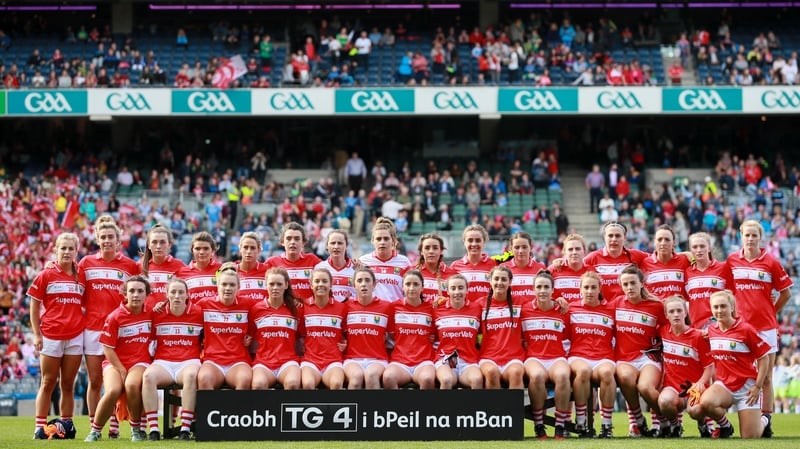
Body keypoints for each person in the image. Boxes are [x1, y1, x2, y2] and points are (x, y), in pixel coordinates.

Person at [78, 216, 139, 437]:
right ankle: (95, 426)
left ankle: (114, 424)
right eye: (102, 237)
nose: (106, 241)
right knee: (95, 381)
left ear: (118, 239)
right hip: (93, 329)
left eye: (110, 237)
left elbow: (141, 290)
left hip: (121, 331)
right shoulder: (85, 263)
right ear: (97, 239)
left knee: (118, 381)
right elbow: (71, 282)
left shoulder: (130, 265)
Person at [726, 219, 792, 422]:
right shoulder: (732, 261)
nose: (751, 238)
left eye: (754, 235)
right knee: (739, 373)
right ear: (741, 235)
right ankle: (729, 417)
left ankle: (767, 419)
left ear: (760, 237)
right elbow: (728, 292)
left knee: (766, 377)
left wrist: (771, 310)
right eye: (747, 234)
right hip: (740, 328)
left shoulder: (771, 261)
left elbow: (786, 293)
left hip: (765, 327)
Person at [29, 232, 85, 439]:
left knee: (68, 383)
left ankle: (66, 426)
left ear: (76, 251)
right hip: (51, 334)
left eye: (71, 248)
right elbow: (34, 308)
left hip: (76, 335)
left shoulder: (82, 275)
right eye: (63, 248)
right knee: (48, 382)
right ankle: (39, 427)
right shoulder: (46, 274)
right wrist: (37, 334)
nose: (67, 252)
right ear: (56, 250)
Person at [84, 275, 153, 442]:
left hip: (140, 361)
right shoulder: (115, 317)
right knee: (113, 390)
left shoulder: (152, 314)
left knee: (131, 385)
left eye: (140, 291)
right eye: (132, 291)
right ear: (125, 294)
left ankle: (136, 429)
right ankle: (95, 430)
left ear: (147, 294)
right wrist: (121, 369)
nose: (136, 295)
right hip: (115, 363)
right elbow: (107, 348)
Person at [700, 290, 772, 439]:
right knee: (706, 402)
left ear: (732, 307)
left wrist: (757, 386)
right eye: (716, 307)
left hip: (747, 388)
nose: (719, 311)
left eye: (723, 306)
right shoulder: (711, 330)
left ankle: (765, 419)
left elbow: (764, 358)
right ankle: (725, 426)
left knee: (750, 437)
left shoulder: (746, 330)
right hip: (724, 386)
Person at [141, 278, 202, 441]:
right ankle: (153, 429)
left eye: (181, 292)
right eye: (173, 292)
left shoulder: (198, 312)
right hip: (164, 362)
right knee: (147, 377)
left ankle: (185, 429)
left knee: (190, 377)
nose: (177, 296)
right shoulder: (156, 313)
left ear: (187, 295)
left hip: (190, 361)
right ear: (166, 295)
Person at [614, 264, 668, 437]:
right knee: (625, 377)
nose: (629, 287)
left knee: (646, 388)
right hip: (624, 358)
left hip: (647, 357)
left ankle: (666, 422)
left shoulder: (656, 306)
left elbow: (672, 328)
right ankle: (638, 421)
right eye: (625, 284)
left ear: (641, 283)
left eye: (633, 283)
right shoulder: (615, 304)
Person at [521, 270, 571, 440]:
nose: (542, 290)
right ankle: (539, 426)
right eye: (539, 287)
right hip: (533, 357)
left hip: (557, 357)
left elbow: (569, 337)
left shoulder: (562, 310)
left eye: (546, 287)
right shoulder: (524, 310)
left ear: (552, 290)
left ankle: (560, 425)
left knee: (564, 375)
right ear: (533, 289)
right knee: (537, 376)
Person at [568, 271, 616, 438]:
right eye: (586, 287)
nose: (589, 291)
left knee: (607, 373)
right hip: (578, 356)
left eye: (593, 287)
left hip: (604, 357)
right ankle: (581, 420)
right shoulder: (570, 308)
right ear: (580, 290)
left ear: (599, 289)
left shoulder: (611, 309)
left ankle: (606, 424)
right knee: (584, 371)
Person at [658, 295, 714, 439]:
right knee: (664, 401)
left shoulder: (698, 336)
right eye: (671, 311)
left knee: (695, 410)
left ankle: (703, 425)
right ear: (666, 315)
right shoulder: (662, 332)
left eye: (679, 310)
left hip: (694, 388)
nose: (675, 314)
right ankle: (676, 425)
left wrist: (701, 383)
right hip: (672, 387)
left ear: (685, 313)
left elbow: (710, 367)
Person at [196, 264, 253, 391]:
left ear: (239, 287)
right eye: (224, 284)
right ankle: (208, 411)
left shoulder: (248, 304)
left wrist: (252, 336)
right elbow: (184, 314)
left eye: (232, 285)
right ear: (217, 286)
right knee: (204, 379)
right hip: (213, 360)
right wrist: (163, 305)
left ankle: (238, 412)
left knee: (244, 380)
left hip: (238, 360)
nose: (228, 288)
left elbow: (266, 314)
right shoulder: (204, 304)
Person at [250, 267, 304, 390]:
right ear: (265, 285)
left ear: (286, 285)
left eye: (279, 284)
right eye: (271, 284)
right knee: (258, 385)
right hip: (263, 362)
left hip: (288, 362)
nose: (275, 287)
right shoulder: (256, 309)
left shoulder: (296, 309)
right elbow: (251, 339)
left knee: (293, 384)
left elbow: (301, 337)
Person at [383, 270, 436, 389]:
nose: (411, 288)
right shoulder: (394, 307)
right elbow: (392, 334)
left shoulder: (431, 307)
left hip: (424, 360)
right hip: (400, 361)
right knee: (388, 378)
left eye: (416, 284)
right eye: (408, 284)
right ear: (402, 287)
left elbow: (435, 334)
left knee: (427, 379)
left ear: (422, 287)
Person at [343, 267, 394, 389]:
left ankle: (373, 408)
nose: (363, 284)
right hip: (352, 359)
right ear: (354, 285)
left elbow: (395, 335)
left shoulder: (387, 307)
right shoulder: (345, 307)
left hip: (378, 359)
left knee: (371, 375)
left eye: (367, 280)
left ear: (374, 284)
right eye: (359, 281)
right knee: (356, 378)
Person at [434, 275, 483, 389]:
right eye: (453, 288)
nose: (457, 292)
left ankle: (474, 407)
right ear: (447, 291)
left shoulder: (477, 309)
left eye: (461, 288)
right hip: (444, 359)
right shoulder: (437, 309)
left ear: (467, 290)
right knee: (446, 380)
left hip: (468, 360)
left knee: (477, 380)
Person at [301, 268, 347, 390]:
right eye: (317, 281)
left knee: (336, 384)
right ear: (311, 285)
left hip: (333, 360)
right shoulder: (303, 307)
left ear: (331, 285)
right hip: (310, 360)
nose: (320, 284)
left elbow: (348, 334)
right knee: (308, 384)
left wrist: (346, 344)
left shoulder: (342, 308)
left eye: (324, 281)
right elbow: (299, 334)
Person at [479, 266, 525, 390]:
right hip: (488, 357)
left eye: (504, 279)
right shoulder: (479, 305)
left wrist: (556, 301)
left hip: (514, 357)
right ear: (490, 281)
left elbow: (540, 306)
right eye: (496, 279)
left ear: (510, 282)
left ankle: (512, 410)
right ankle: (497, 410)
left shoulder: (521, 303)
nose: (499, 283)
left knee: (516, 374)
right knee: (491, 373)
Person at [584, 222, 648, 300]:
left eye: (618, 236)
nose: (614, 239)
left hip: (627, 308)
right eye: (610, 236)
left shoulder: (635, 255)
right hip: (603, 308)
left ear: (624, 237)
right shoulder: (592, 258)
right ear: (604, 237)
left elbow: (655, 258)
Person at [683, 232, 730, 329]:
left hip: (718, 326)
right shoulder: (687, 272)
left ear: (709, 248)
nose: (699, 250)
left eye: (702, 246)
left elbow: (733, 296)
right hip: (696, 328)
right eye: (695, 247)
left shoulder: (723, 268)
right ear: (690, 250)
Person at [265, 222, 322, 301]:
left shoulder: (313, 260)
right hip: (283, 312)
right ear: (282, 242)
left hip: (307, 311)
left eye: (297, 239)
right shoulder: (271, 262)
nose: (292, 242)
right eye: (288, 238)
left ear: (303, 242)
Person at [359, 217, 411, 302]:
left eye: (386, 239)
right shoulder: (363, 261)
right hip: (373, 313)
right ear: (372, 241)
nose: (382, 242)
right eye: (378, 239)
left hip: (396, 312)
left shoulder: (404, 262)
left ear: (393, 241)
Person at [140, 224, 186, 309]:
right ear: (149, 245)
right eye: (154, 242)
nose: (158, 246)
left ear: (169, 245)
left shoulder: (180, 266)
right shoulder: (139, 266)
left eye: (162, 242)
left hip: (168, 320)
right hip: (145, 320)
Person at [639, 225, 692, 299]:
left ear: (674, 242)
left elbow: (700, 264)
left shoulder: (685, 260)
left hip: (678, 309)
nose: (663, 243)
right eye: (659, 239)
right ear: (654, 242)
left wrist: (690, 256)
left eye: (667, 239)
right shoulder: (645, 263)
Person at [450, 224, 497, 305]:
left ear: (484, 242)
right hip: (465, 314)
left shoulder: (494, 265)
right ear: (464, 242)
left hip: (487, 313)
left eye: (478, 240)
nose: (474, 244)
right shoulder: (455, 266)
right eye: (470, 240)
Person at [176, 232, 223, 304]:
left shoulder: (221, 270)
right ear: (192, 251)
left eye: (206, 248)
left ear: (213, 250)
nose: (201, 252)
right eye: (197, 249)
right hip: (192, 315)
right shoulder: (181, 273)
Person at [314, 230, 357, 303]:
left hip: (351, 312)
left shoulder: (356, 268)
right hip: (328, 312)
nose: (336, 246)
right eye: (333, 243)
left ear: (346, 246)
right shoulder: (319, 268)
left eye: (340, 243)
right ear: (327, 246)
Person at [503, 232, 546, 302]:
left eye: (524, 247)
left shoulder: (541, 269)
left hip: (533, 312)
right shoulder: (503, 268)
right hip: (511, 312)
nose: (520, 251)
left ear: (531, 247)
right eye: (517, 247)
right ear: (511, 249)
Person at [416, 233, 456, 304]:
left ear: (441, 251)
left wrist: (446, 300)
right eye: (427, 248)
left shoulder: (452, 275)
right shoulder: (412, 272)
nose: (431, 251)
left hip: (442, 314)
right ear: (421, 251)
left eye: (435, 248)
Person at [550, 233, 590, 303]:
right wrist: (555, 301)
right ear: (564, 252)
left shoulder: (591, 272)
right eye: (570, 249)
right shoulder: (553, 269)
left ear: (584, 251)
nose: (574, 252)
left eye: (577, 249)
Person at [235, 231, 268, 303]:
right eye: (245, 247)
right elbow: (217, 274)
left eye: (252, 248)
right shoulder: (231, 270)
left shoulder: (268, 271)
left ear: (259, 250)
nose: (248, 251)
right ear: (240, 249)